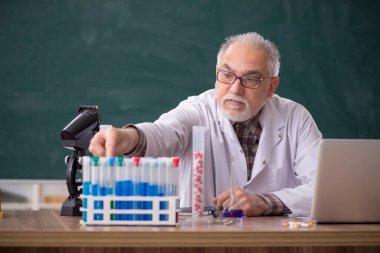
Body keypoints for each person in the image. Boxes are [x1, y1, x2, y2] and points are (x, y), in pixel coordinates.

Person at [89, 32, 322, 216]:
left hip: (277, 244)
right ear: (216, 74)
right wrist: (129, 138)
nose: (235, 89)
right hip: (202, 242)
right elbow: (165, 132)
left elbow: (323, 189)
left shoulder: (295, 118)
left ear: (271, 87)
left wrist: (264, 202)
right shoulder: (197, 110)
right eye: (227, 75)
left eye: (250, 79)